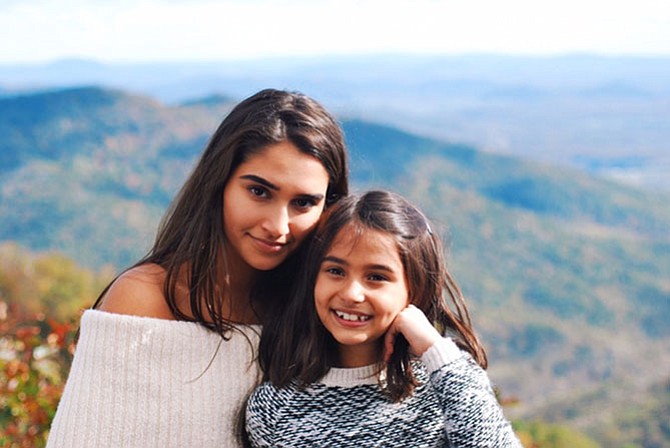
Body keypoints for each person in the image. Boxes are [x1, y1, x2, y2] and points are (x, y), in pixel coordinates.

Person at [46, 88, 349, 447]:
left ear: (328, 209)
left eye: (303, 203)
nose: (277, 225)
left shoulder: (321, 310)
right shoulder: (144, 301)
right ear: (219, 183)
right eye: (259, 192)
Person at [245, 190, 522, 447]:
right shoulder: (275, 410)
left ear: (414, 290)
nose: (352, 294)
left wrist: (434, 349)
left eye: (376, 277)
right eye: (335, 271)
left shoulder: (445, 389)